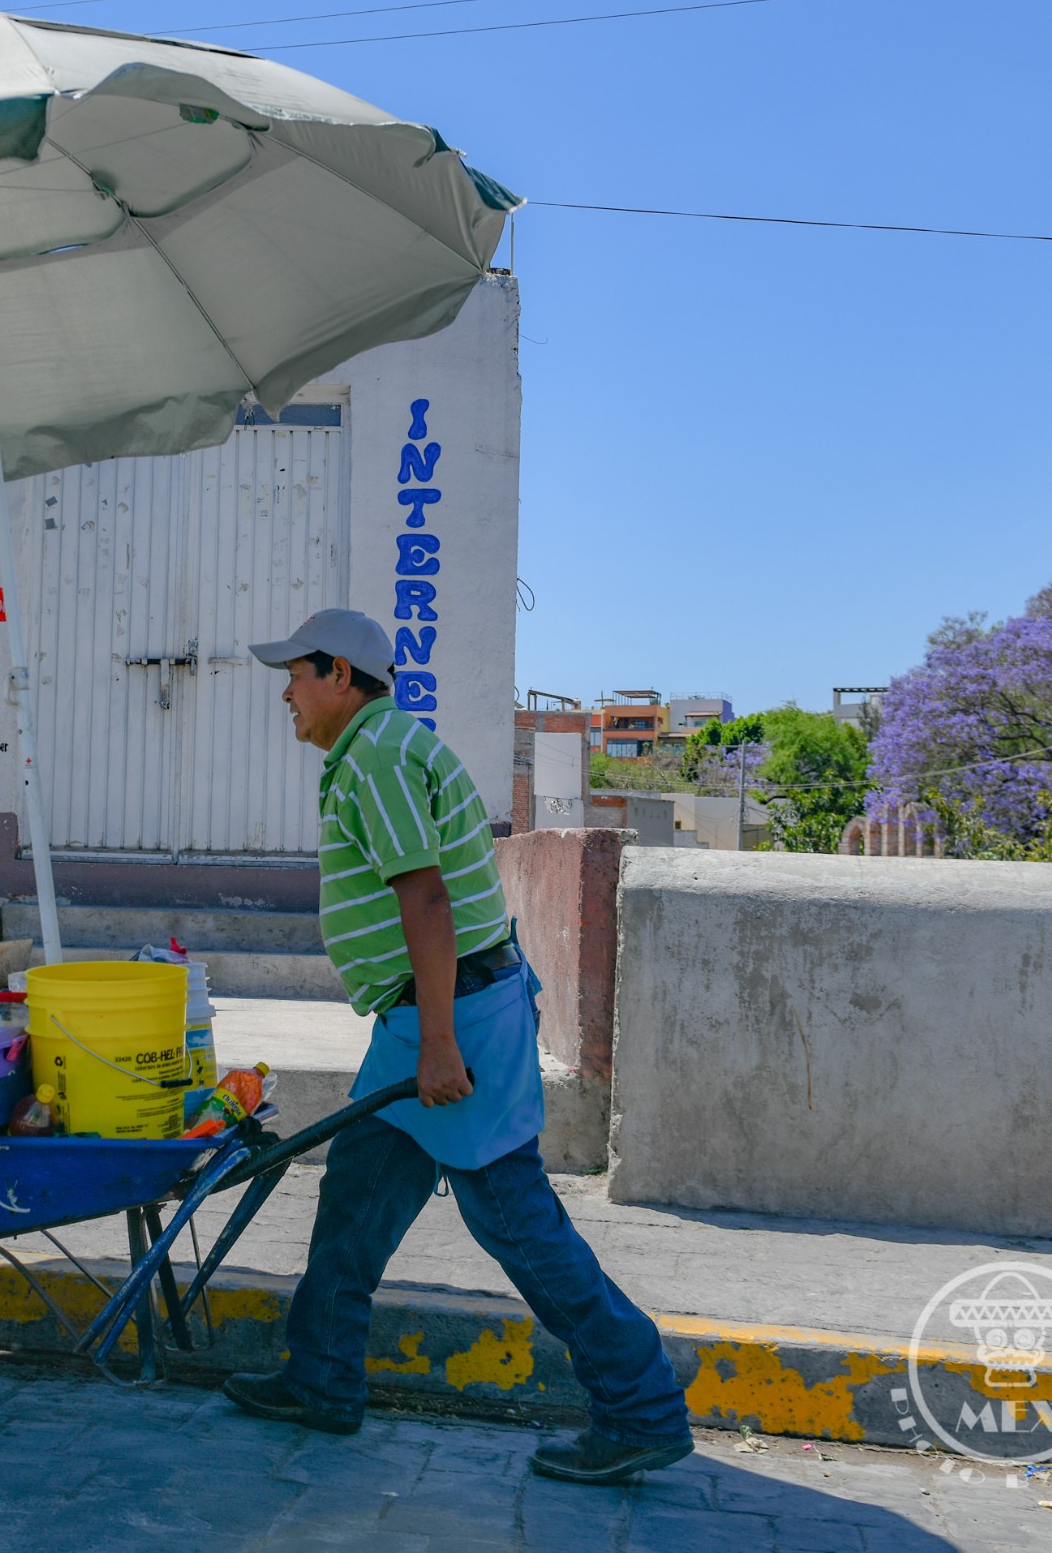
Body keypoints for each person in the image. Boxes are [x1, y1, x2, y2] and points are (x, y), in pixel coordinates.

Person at [221, 609, 694, 1485]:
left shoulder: (377, 756)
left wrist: (439, 1045)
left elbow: (428, 903)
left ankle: (640, 1407)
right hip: (425, 1017)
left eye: (293, 674)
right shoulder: (382, 747)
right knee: (357, 1197)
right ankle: (321, 1378)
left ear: (337, 673)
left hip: (451, 1018)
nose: (284, 692)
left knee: (513, 1219)